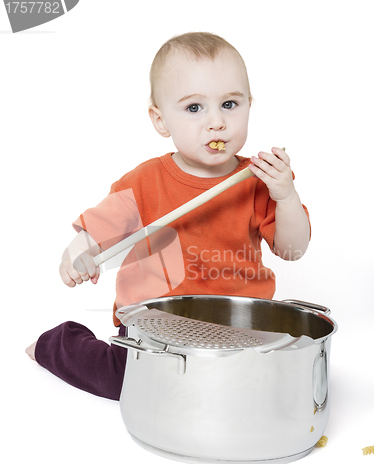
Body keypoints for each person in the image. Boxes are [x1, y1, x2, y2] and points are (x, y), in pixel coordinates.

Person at [26, 32, 310, 400]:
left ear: (249, 105)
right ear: (161, 121)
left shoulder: (259, 182)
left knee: (260, 390)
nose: (216, 123)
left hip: (238, 329)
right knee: (124, 382)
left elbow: (293, 249)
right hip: (155, 329)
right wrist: (78, 254)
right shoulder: (144, 182)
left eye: (229, 104)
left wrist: (286, 196)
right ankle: (58, 344)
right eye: (194, 108)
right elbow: (97, 230)